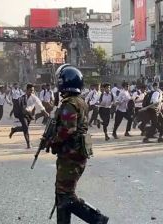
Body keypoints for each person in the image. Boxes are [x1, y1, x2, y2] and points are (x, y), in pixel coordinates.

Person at [50, 64, 109, 224]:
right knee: (62, 194)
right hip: (75, 153)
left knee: (66, 196)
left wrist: (52, 141)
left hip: (71, 155)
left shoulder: (70, 103)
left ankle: (97, 219)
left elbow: (68, 130)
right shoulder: (80, 101)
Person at [9, 84, 49, 149]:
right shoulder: (21, 97)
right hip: (22, 114)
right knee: (26, 128)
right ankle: (28, 144)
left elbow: (39, 104)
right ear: (27, 90)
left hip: (29, 114)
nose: (32, 92)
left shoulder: (34, 97)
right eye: (30, 90)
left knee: (25, 127)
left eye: (33, 90)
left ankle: (14, 129)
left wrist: (45, 112)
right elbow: (17, 106)